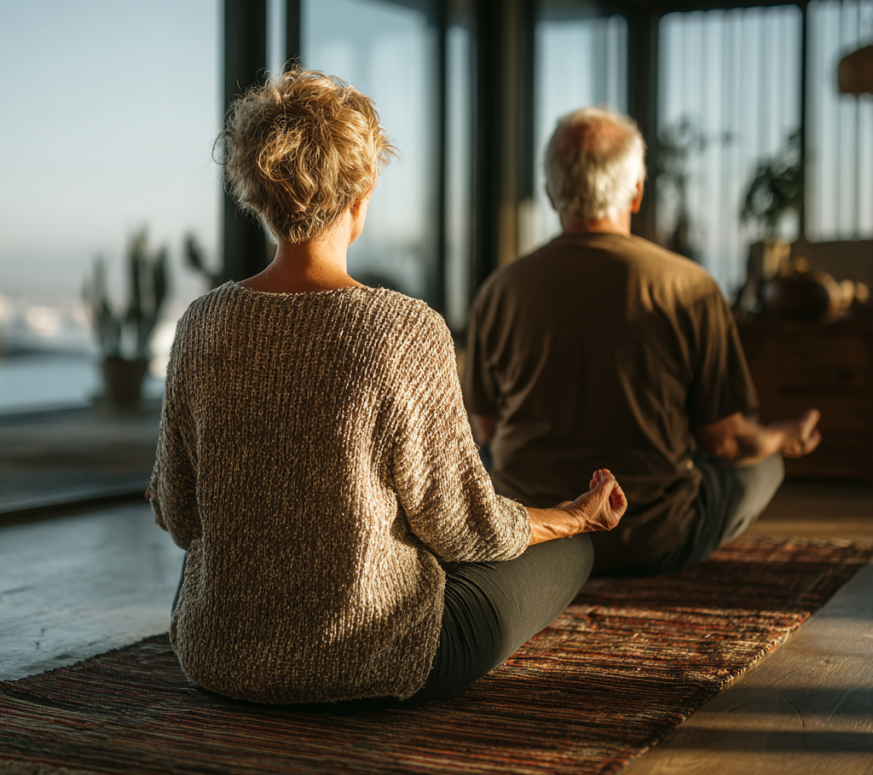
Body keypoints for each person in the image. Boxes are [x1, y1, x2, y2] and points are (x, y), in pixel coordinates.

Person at [147, 68, 627, 708]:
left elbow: (179, 517)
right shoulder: (405, 330)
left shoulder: (200, 324)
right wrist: (568, 518)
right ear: (364, 185)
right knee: (574, 554)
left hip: (221, 659)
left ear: (255, 190)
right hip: (369, 657)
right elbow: (462, 530)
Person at [463, 106, 820, 577]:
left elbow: (484, 431)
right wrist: (783, 438)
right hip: (650, 538)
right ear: (636, 191)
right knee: (765, 463)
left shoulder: (499, 290)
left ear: (552, 192)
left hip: (536, 539)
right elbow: (727, 441)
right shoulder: (690, 286)